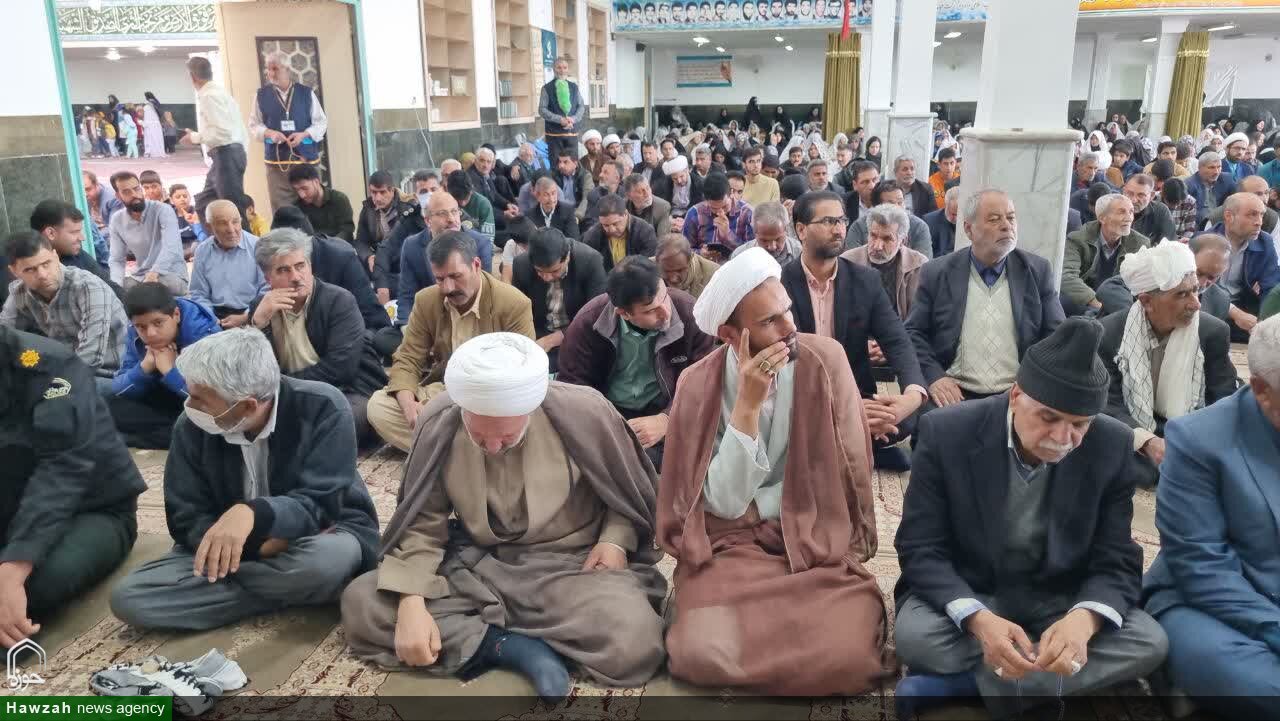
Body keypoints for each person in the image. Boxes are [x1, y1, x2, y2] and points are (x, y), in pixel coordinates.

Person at [342, 333, 667, 702]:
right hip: (480, 564)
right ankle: (508, 647)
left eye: (507, 436)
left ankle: (479, 635)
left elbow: (629, 494)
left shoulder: (585, 413)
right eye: (480, 438)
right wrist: (412, 600)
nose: (494, 448)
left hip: (571, 568)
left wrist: (614, 541)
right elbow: (422, 523)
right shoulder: (440, 422)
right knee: (362, 602)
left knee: (636, 641)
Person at [893, 317, 1168, 719]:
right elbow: (921, 548)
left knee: (1149, 641)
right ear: (1016, 395)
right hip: (976, 588)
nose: (1062, 438)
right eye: (1049, 417)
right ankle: (1039, 675)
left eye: (1079, 425)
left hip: (1058, 597)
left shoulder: (1112, 444)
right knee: (916, 636)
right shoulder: (946, 432)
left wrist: (1084, 621)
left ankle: (962, 686)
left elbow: (1117, 560)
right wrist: (979, 621)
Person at [658, 247, 890, 695]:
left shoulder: (826, 361)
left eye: (787, 311)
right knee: (700, 651)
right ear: (730, 334)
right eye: (770, 321)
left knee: (849, 656)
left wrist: (765, 506)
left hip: (814, 539)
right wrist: (747, 406)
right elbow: (723, 504)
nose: (790, 328)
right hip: (732, 547)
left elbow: (846, 472)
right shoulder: (697, 384)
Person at [109, 328, 379, 631]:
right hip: (235, 547)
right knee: (130, 598)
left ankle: (281, 585)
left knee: (328, 560)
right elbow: (185, 516)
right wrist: (256, 548)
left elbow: (322, 502)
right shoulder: (192, 423)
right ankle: (306, 589)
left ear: (248, 405)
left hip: (314, 537)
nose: (189, 405)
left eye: (200, 399)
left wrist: (254, 514)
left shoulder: (323, 406)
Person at [1141, 315, 1280, 717]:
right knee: (1242, 673)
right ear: (1261, 390)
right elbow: (1201, 567)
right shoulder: (1197, 441)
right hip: (1211, 605)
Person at [0, 324, 145, 646]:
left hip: (90, 510)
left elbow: (64, 467)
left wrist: (14, 566)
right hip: (11, 510)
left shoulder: (46, 365)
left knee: (27, 588)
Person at [781, 195, 926, 471]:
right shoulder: (779, 283)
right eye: (828, 221)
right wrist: (841, 410)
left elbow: (896, 340)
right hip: (801, 399)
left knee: (903, 418)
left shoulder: (864, 280)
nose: (839, 229)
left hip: (854, 394)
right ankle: (855, 444)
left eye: (841, 221)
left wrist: (912, 394)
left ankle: (839, 442)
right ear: (801, 230)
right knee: (782, 423)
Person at [367, 231, 533, 452]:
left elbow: (523, 373)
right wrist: (409, 407)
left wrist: (462, 404)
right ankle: (467, 450)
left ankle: (444, 448)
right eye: (440, 279)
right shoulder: (426, 300)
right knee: (378, 406)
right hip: (444, 392)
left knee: (525, 418)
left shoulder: (514, 304)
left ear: (476, 265)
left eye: (455, 276)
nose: (448, 288)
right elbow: (408, 359)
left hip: (491, 398)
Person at [1097, 241, 1237, 490]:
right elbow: (1109, 403)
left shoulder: (1213, 332)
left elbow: (1222, 400)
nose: (1196, 303)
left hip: (1189, 431)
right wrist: (1147, 442)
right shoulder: (1108, 333)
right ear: (1146, 301)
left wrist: (1192, 441)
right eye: (1182, 294)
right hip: (1132, 430)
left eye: (1195, 291)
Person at [906, 190, 1065, 409]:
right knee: (922, 425)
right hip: (953, 390)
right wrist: (935, 377)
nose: (1006, 226)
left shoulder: (1037, 270)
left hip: (1018, 393)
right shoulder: (937, 272)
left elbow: (1057, 335)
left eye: (1011, 217)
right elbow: (913, 332)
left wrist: (1031, 382)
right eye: (994, 219)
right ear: (968, 229)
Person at [557, 254, 715, 468]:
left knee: (687, 461)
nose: (666, 312)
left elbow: (705, 381)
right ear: (623, 313)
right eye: (650, 310)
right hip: (609, 412)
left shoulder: (691, 314)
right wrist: (605, 424)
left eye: (664, 297)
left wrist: (667, 419)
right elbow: (572, 386)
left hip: (669, 408)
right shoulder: (588, 322)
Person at [246, 229, 387, 445]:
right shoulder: (261, 308)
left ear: (310, 266)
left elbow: (340, 370)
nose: (295, 277)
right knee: (244, 422)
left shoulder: (338, 301)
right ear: (268, 278)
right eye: (283, 270)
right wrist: (258, 325)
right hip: (287, 395)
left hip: (347, 391)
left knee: (323, 426)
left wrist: (280, 389)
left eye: (300, 266)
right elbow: (253, 372)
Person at [375, 191, 495, 361]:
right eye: (442, 214)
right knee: (382, 338)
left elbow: (483, 295)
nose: (451, 219)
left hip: (466, 320)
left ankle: (435, 354)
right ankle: (433, 352)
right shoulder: (412, 245)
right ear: (427, 220)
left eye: (454, 211)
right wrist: (408, 329)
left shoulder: (479, 243)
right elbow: (406, 295)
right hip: (428, 322)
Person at [2, 231, 128, 383]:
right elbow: (4, 337)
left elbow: (91, 356)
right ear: (14, 271)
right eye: (30, 269)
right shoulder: (19, 293)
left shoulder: (87, 287)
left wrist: (52, 383)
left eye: (46, 264)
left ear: (55, 257)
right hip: (63, 370)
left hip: (109, 374)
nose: (42, 275)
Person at [107, 282, 220, 449]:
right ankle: (173, 435)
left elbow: (214, 400)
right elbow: (119, 387)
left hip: (195, 405)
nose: (151, 333)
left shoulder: (204, 334)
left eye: (158, 323)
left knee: (204, 423)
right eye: (141, 327)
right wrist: (144, 367)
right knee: (105, 400)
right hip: (161, 401)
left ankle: (151, 437)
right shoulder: (134, 331)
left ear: (176, 315)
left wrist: (170, 370)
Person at [511, 227, 607, 369]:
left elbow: (596, 315)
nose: (547, 277)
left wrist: (555, 339)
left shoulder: (590, 261)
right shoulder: (521, 265)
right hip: (539, 335)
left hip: (580, 333)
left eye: (554, 271)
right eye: (539, 271)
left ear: (567, 257)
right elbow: (519, 311)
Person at [248, 50, 328, 212]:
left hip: (305, 162)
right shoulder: (261, 95)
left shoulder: (306, 93)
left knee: (313, 207)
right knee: (282, 211)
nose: (270, 73)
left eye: (275, 69)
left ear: (287, 70)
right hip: (277, 166)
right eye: (268, 69)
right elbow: (254, 125)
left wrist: (304, 134)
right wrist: (270, 133)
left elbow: (321, 123)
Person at [1095, 232, 1233, 324]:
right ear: (1185, 257)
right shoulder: (1157, 273)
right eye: (1198, 273)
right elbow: (1109, 288)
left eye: (1212, 277)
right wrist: (1143, 318)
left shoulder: (1219, 302)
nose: (1202, 283)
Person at [1201, 192, 1280, 341]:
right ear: (1229, 216)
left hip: (1245, 310)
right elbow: (1202, 289)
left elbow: (1271, 287)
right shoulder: (1204, 242)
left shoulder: (1265, 242)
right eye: (1252, 215)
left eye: (1261, 215)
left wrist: (1266, 321)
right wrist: (1235, 312)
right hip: (1208, 309)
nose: (1259, 222)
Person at [180, 56, 249, 224]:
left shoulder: (209, 95)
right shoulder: (218, 92)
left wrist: (194, 137)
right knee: (204, 202)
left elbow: (222, 133)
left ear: (192, 77)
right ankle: (219, 238)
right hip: (227, 155)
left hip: (226, 154)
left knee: (233, 210)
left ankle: (243, 241)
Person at [1061, 194, 1150, 315]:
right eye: (1121, 212)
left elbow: (1144, 283)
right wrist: (1098, 303)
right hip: (1086, 302)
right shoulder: (1078, 239)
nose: (1129, 218)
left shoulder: (1140, 244)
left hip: (1120, 304)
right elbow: (1067, 276)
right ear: (1102, 218)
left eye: (1131, 212)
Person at [843, 203, 930, 322]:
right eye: (873, 236)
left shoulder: (919, 266)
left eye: (887, 239)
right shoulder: (847, 262)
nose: (877, 246)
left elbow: (918, 319)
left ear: (902, 241)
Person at [107, 171, 189, 295]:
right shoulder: (117, 219)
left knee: (150, 289)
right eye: (127, 192)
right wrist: (116, 288)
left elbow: (171, 246)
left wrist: (154, 273)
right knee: (116, 288)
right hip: (141, 277)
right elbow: (117, 260)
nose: (134, 195)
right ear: (118, 196)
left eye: (136, 189)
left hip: (171, 276)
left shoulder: (163, 210)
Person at [189, 199, 268, 327]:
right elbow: (198, 293)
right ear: (209, 227)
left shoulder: (258, 246)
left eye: (235, 222)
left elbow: (267, 289)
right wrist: (211, 319)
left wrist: (246, 317)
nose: (231, 229)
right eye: (222, 223)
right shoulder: (202, 251)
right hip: (215, 316)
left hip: (252, 313)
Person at [27, 199, 119, 296]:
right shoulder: (29, 268)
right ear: (51, 233)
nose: (82, 238)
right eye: (74, 232)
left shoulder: (77, 255)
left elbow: (111, 287)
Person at [843, 180, 934, 258]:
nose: (898, 208)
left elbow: (923, 264)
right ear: (877, 207)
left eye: (900, 202)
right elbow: (851, 261)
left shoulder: (919, 227)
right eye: (891, 204)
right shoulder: (858, 227)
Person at [354, 170, 418, 276]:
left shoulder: (408, 207)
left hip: (403, 264)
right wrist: (369, 257)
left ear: (392, 190)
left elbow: (413, 243)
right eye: (374, 192)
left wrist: (384, 259)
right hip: (377, 263)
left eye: (382, 192)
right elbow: (361, 241)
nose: (377, 198)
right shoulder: (368, 208)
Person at [682, 172, 753, 260]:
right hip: (703, 264)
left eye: (724, 206)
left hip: (736, 264)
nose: (720, 212)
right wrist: (700, 253)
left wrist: (727, 235)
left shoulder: (747, 213)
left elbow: (751, 253)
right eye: (714, 208)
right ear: (706, 200)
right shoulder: (694, 213)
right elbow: (684, 249)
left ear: (731, 193)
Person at [581, 194, 658, 273]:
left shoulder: (645, 231)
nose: (611, 230)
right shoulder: (592, 235)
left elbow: (648, 266)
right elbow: (589, 267)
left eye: (615, 224)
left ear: (625, 214)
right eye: (605, 225)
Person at [289, 164, 355, 242]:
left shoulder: (339, 199)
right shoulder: (296, 207)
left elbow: (347, 230)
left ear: (316, 182)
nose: (302, 195)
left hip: (339, 245)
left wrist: (331, 244)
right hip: (312, 246)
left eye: (305, 188)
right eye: (296, 190)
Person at [538, 57, 585, 165]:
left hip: (572, 134)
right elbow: (542, 109)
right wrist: (560, 120)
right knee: (556, 165)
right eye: (559, 67)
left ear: (568, 69)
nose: (562, 70)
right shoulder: (546, 88)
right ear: (554, 69)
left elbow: (581, 106)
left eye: (565, 67)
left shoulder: (574, 87)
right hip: (554, 135)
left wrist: (573, 119)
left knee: (573, 165)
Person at [1203, 175, 1278, 235]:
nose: (1265, 199)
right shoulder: (1216, 217)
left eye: (1266, 193)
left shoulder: (1272, 218)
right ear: (1241, 194)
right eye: (1258, 194)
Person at [730, 201, 801, 265]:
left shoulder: (801, 253)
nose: (772, 247)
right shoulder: (739, 257)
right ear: (754, 232)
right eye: (764, 240)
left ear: (786, 229)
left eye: (777, 239)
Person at [468, 147, 521, 227]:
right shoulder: (471, 178)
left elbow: (494, 195)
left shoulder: (483, 173)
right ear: (475, 161)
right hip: (482, 221)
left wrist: (508, 204)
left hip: (493, 212)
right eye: (482, 160)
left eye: (489, 162)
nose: (485, 165)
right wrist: (503, 213)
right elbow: (481, 207)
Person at [655, 232, 718, 299]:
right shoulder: (648, 270)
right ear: (657, 262)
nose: (673, 279)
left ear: (690, 260)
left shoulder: (715, 274)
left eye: (679, 271)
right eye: (667, 271)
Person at [1184, 151, 1236, 227]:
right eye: (1211, 167)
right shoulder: (1189, 185)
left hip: (1223, 225)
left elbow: (1236, 201)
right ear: (1200, 167)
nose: (1216, 172)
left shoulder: (1227, 179)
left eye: (1219, 167)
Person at [1124, 174, 1176, 244]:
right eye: (1130, 193)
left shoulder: (1160, 211)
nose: (1134, 200)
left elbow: (1169, 243)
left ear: (1152, 196)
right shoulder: (1113, 208)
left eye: (1141, 195)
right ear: (1124, 191)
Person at [525, 176, 579, 240]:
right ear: (538, 196)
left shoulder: (567, 210)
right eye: (546, 195)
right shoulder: (529, 216)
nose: (551, 199)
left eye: (553, 193)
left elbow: (573, 239)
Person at [654, 155, 704, 222]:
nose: (679, 181)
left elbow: (699, 206)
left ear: (687, 171)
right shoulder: (665, 183)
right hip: (670, 217)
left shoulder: (699, 183)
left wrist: (683, 219)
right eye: (675, 178)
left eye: (681, 176)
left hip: (692, 216)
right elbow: (662, 204)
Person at [581, 159, 623, 230]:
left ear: (616, 178)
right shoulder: (594, 195)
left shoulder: (626, 195)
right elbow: (590, 223)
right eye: (601, 171)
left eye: (605, 172)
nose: (600, 175)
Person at [923, 187, 960, 258]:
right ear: (945, 205)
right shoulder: (929, 221)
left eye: (958, 214)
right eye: (952, 214)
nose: (955, 218)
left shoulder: (970, 223)